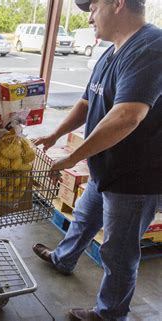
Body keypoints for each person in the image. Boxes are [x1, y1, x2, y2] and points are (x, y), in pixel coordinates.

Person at [32, 0, 161, 320]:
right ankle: (63, 259)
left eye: (92, 7)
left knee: (118, 253)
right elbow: (88, 101)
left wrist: (74, 156)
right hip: (106, 165)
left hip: (137, 177)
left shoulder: (151, 48)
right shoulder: (112, 50)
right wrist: (55, 136)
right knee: (84, 220)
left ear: (117, 4)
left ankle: (110, 313)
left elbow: (128, 116)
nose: (89, 17)